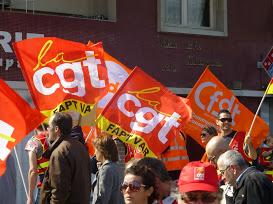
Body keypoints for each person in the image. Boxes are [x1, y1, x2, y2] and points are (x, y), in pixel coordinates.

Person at [40, 112, 91, 204]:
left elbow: (59, 190)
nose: (47, 130)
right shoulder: (80, 146)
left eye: (49, 127)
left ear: (56, 129)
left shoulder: (60, 152)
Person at [91, 134, 124, 204]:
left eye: (96, 150)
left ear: (102, 151)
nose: (94, 153)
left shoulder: (106, 169)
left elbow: (102, 198)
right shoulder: (115, 166)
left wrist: (102, 170)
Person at [25, 124, 49, 204]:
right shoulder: (58, 137)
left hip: (45, 188)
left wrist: (30, 197)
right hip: (62, 188)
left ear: (35, 127)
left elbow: (33, 171)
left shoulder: (33, 142)